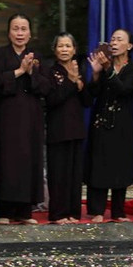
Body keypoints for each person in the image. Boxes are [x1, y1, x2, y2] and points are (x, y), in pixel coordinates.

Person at [0, 14, 51, 225]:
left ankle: (25, 211)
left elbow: (45, 87)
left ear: (30, 33)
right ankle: (4, 210)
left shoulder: (37, 56)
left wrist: (31, 72)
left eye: (24, 29)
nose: (20, 33)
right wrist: (19, 71)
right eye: (15, 28)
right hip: (7, 115)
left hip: (31, 116)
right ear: (9, 33)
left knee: (28, 160)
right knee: (7, 161)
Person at [86, 29, 133, 223]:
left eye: (119, 39)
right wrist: (95, 74)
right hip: (101, 120)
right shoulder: (104, 66)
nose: (114, 43)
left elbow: (124, 90)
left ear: (129, 46)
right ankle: (97, 210)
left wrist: (108, 69)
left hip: (122, 123)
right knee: (99, 164)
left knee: (120, 165)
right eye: (112, 39)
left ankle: (118, 212)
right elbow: (92, 93)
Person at [43, 32, 91, 224]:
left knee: (74, 175)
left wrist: (82, 83)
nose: (64, 49)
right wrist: (71, 82)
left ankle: (73, 212)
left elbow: (87, 101)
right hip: (58, 130)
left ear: (74, 50)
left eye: (68, 46)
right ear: (54, 50)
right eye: (60, 46)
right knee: (58, 174)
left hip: (76, 130)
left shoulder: (79, 70)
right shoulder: (49, 72)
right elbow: (52, 100)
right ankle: (58, 213)